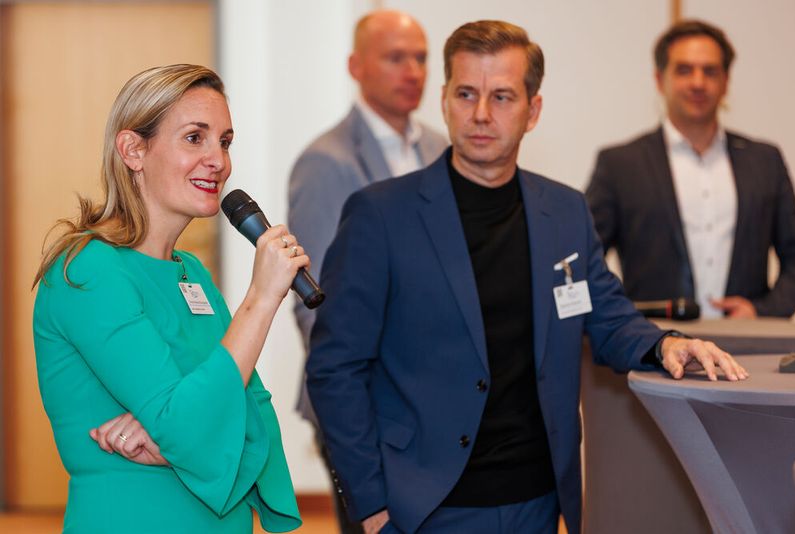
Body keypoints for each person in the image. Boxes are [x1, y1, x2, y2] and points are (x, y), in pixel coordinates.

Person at [306, 20, 748, 534]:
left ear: (532, 110)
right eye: (466, 93)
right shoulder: (380, 216)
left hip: (537, 499)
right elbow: (334, 366)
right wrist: (369, 502)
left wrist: (665, 343)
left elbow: (605, 315)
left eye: (502, 97)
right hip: (422, 505)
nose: (480, 114)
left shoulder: (563, 211)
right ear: (445, 99)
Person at [33, 64, 304, 534]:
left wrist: (184, 438)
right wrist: (261, 299)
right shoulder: (87, 270)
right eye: (195, 138)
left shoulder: (191, 274)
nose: (218, 160)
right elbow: (193, 426)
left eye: (225, 141)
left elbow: (260, 420)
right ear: (133, 150)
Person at [288, 9, 446, 533]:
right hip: (364, 406)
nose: (413, 71)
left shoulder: (441, 150)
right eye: (395, 57)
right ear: (356, 65)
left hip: (436, 401)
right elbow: (316, 305)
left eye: (421, 58)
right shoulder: (326, 161)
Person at [586, 19, 795, 318]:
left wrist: (763, 310)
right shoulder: (620, 164)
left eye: (710, 71)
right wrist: (620, 317)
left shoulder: (765, 160)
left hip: (750, 347)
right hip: (652, 347)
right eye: (684, 70)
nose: (698, 82)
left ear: (726, 81)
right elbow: (584, 262)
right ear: (660, 79)